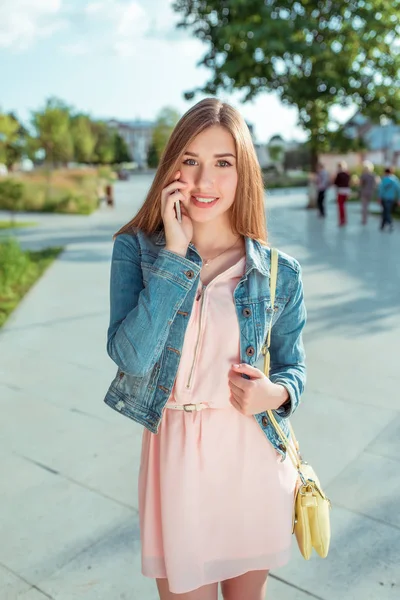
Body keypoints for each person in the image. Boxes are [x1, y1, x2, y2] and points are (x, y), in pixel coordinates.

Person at [104, 98, 307, 600]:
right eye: (190, 160)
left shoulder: (280, 272)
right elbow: (130, 356)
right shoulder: (137, 249)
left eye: (223, 163)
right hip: (175, 462)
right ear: (171, 165)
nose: (203, 181)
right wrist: (175, 255)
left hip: (251, 460)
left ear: (244, 173)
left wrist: (276, 395)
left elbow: (293, 368)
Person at [378, 167, 400, 232]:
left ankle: (390, 224)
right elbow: (398, 190)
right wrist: (399, 199)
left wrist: (379, 197)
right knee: (386, 211)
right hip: (391, 198)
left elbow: (381, 189)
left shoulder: (384, 179)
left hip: (384, 198)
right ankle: (382, 225)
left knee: (386, 212)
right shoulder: (395, 180)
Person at [359, 160, 377, 225]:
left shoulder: (363, 175)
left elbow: (360, 183)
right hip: (371, 192)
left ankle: (364, 220)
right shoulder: (373, 175)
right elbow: (375, 184)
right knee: (367, 206)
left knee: (364, 206)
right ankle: (366, 218)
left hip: (364, 192)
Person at [333, 161, 351, 226]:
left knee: (340, 206)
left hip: (341, 191)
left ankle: (341, 220)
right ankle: (344, 219)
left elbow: (335, 183)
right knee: (343, 206)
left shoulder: (339, 174)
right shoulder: (347, 174)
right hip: (346, 191)